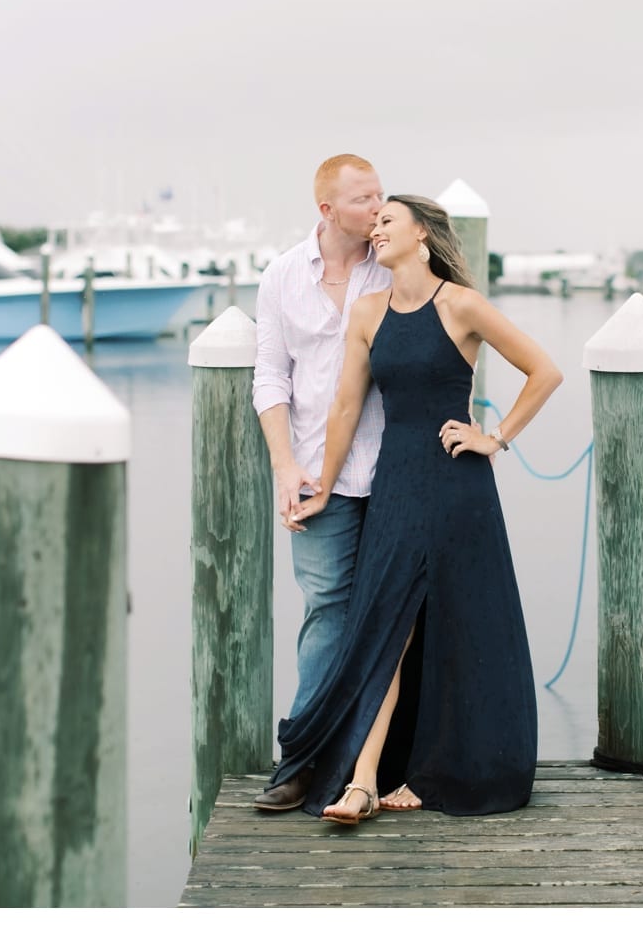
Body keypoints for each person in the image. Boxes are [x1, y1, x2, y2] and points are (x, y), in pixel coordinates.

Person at [267, 194, 563, 824]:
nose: (375, 229)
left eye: (387, 221)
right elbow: (345, 407)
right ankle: (365, 777)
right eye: (373, 222)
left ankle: (435, 771)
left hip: (458, 487)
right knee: (387, 626)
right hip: (395, 483)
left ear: (421, 235)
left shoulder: (460, 304)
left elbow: (544, 371)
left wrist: (495, 435)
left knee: (460, 624)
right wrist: (321, 483)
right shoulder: (368, 313)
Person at [249, 154, 391, 812]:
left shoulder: (394, 263)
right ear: (328, 211)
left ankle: (382, 764)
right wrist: (284, 464)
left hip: (395, 466)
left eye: (381, 196)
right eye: (364, 199)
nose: (377, 208)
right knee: (327, 611)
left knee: (398, 612)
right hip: (315, 472)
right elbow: (271, 377)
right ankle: (301, 759)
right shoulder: (282, 275)